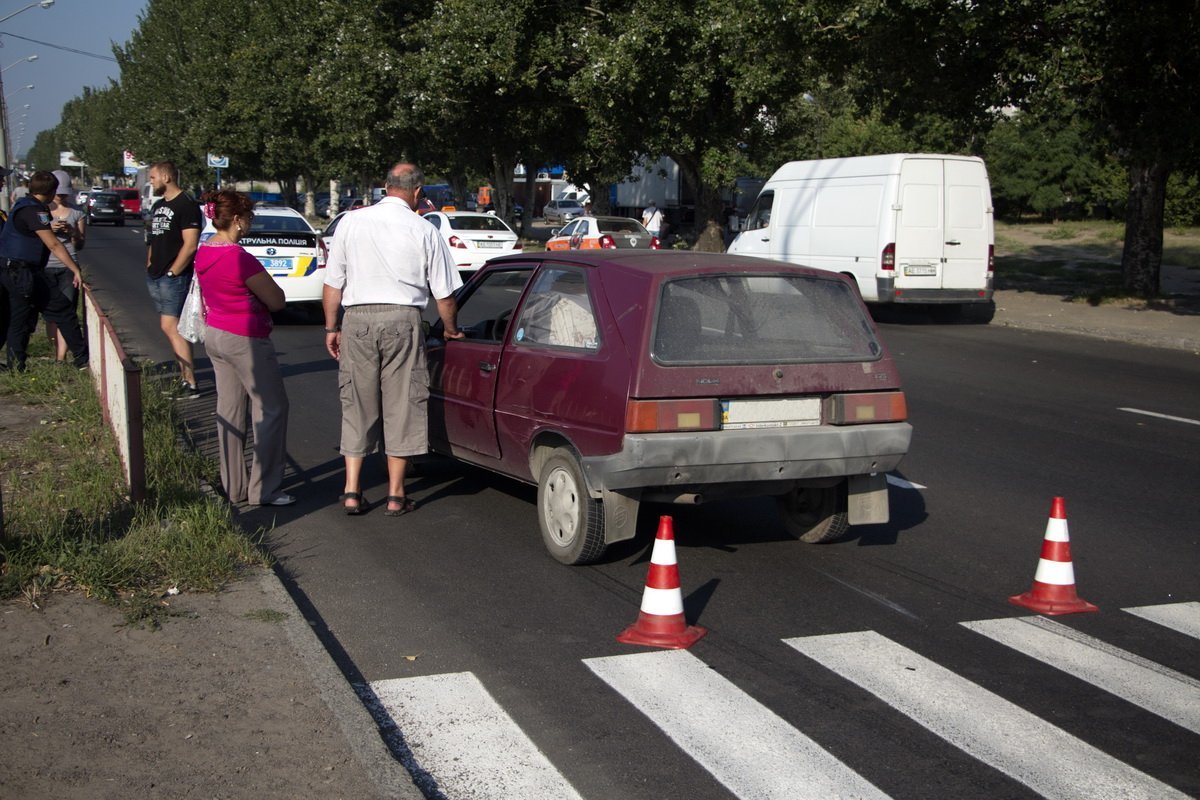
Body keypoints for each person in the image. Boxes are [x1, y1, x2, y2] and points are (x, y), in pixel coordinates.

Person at [322, 163, 464, 516]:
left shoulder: (350, 222)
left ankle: (352, 490)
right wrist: (450, 329)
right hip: (404, 319)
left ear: (385, 187)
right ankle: (396, 495)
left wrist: (331, 327)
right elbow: (444, 295)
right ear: (418, 192)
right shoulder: (424, 229)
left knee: (357, 401)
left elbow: (332, 283)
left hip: (357, 319)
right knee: (402, 402)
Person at [194, 190, 294, 507]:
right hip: (246, 339)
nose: (251, 223)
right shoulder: (240, 258)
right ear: (237, 220)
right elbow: (276, 300)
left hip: (215, 334)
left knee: (229, 411)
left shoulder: (203, 252)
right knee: (271, 409)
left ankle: (233, 486)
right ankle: (264, 489)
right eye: (249, 217)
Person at [0, 171, 85, 371]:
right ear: (51, 191)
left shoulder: (23, 205)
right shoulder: (34, 210)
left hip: (13, 271)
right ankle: (82, 357)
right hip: (24, 273)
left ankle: (16, 366)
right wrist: (75, 269)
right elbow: (53, 244)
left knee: (18, 319)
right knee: (63, 309)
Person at [145, 160, 202, 397]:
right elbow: (153, 239)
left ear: (166, 177)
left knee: (171, 327)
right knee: (172, 327)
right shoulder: (159, 205)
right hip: (156, 275)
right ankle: (184, 377)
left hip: (173, 277)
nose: (151, 182)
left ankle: (190, 382)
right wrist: (149, 264)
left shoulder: (186, 205)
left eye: (153, 177)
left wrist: (174, 271)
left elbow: (190, 244)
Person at [43, 170, 89, 365]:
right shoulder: (42, 211)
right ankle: (56, 352)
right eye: (58, 192)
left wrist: (72, 233)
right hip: (45, 265)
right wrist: (49, 230)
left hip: (68, 266)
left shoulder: (77, 213)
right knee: (50, 315)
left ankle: (61, 358)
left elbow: (80, 244)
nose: (61, 197)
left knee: (67, 313)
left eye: (63, 193)